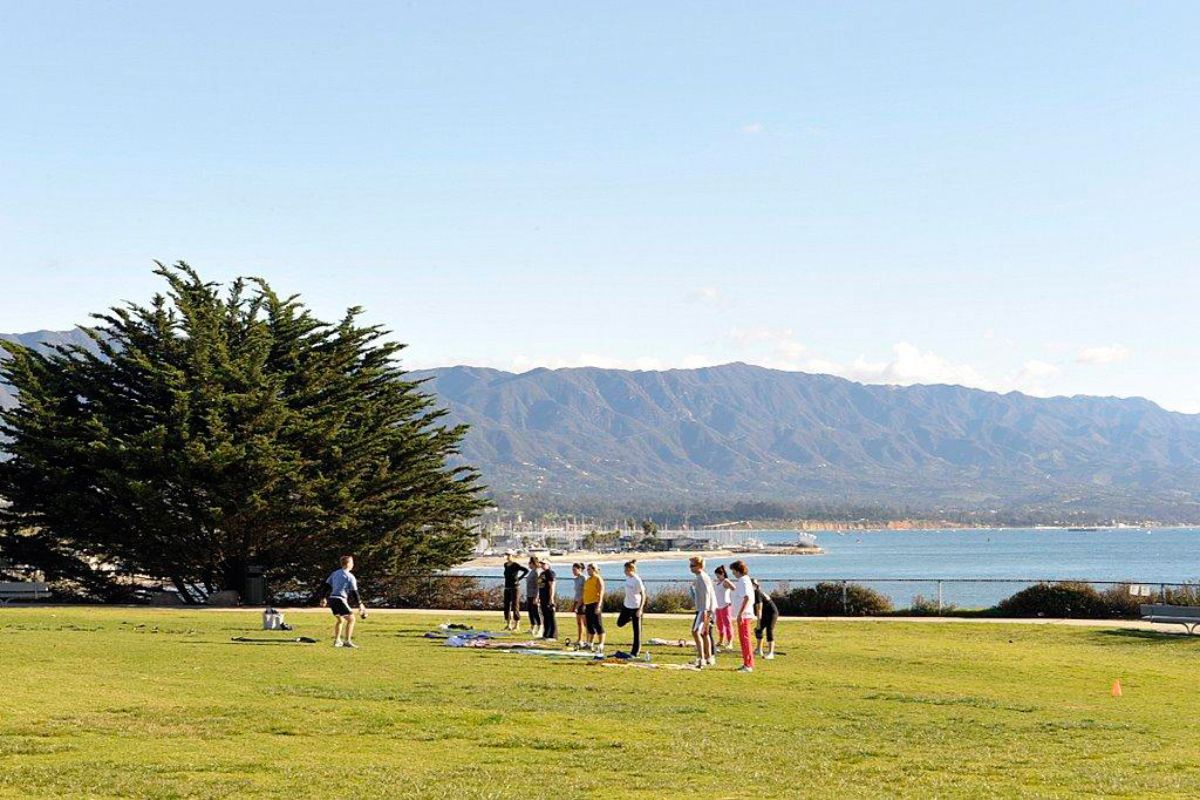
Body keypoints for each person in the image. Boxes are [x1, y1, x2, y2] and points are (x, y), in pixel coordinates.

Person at [317, 554, 367, 648]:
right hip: (340, 599)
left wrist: (323, 597)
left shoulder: (335, 573)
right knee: (352, 619)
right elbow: (354, 592)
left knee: (340, 620)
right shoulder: (350, 576)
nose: (353, 564)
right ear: (348, 564)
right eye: (352, 562)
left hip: (332, 599)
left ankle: (337, 641)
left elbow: (326, 586)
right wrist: (360, 604)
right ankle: (347, 641)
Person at [689, 556, 716, 668]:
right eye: (690, 566)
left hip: (704, 609)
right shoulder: (701, 577)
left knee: (696, 632)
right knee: (705, 633)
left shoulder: (702, 578)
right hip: (706, 609)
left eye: (693, 566)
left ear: (700, 566)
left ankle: (701, 658)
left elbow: (707, 595)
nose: (691, 568)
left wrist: (705, 612)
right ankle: (709, 657)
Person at [729, 560, 755, 672]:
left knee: (745, 639)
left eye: (733, 571)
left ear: (737, 570)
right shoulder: (744, 580)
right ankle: (747, 663)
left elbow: (747, 597)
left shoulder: (743, 581)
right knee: (743, 639)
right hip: (743, 614)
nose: (733, 573)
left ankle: (748, 664)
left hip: (744, 615)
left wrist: (740, 613)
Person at [617, 559, 646, 657]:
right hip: (626, 605)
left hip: (635, 606)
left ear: (631, 569)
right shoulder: (628, 578)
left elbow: (643, 595)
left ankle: (635, 652)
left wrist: (640, 609)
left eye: (626, 570)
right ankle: (630, 618)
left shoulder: (637, 579)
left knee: (636, 631)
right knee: (620, 623)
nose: (624, 572)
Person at [581, 562, 605, 654]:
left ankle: (601, 644)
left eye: (589, 569)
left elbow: (601, 592)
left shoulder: (598, 579)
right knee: (590, 625)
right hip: (588, 604)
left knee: (598, 624)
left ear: (594, 569)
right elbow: (585, 593)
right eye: (587, 569)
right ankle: (590, 643)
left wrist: (599, 605)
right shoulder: (588, 580)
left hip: (595, 603)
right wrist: (583, 604)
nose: (588, 571)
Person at [752, 579, 779, 660]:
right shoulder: (754, 592)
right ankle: (759, 650)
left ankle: (771, 653)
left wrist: (758, 622)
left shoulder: (757, 593)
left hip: (772, 613)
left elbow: (759, 609)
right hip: (765, 613)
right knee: (758, 630)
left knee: (769, 631)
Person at [501, 551, 528, 632]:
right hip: (507, 587)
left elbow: (526, 570)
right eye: (506, 555)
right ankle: (508, 624)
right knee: (506, 606)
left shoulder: (515, 565)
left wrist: (519, 579)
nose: (508, 556)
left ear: (512, 556)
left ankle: (517, 625)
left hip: (515, 588)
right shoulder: (505, 565)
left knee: (515, 606)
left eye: (509, 555)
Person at [713, 565, 735, 651]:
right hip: (718, 606)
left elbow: (734, 588)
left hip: (725, 605)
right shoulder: (717, 582)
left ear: (722, 574)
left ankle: (730, 642)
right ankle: (721, 640)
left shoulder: (725, 581)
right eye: (716, 575)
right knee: (719, 624)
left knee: (727, 624)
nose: (717, 576)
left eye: (718, 575)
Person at [538, 558, 558, 640]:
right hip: (542, 597)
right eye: (541, 564)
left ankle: (553, 635)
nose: (542, 565)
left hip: (548, 597)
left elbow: (552, 585)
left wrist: (551, 598)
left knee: (550, 616)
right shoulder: (542, 573)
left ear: (548, 564)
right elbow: (540, 585)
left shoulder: (550, 573)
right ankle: (546, 634)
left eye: (544, 564)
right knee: (545, 616)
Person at [524, 556, 542, 638]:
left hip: (534, 595)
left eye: (530, 563)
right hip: (529, 594)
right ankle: (532, 627)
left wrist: (537, 596)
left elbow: (538, 585)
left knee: (536, 612)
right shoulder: (531, 572)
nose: (528, 564)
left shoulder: (537, 572)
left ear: (533, 563)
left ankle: (539, 628)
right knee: (530, 612)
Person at [570, 562, 587, 645]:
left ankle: (588, 640)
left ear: (580, 569)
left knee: (585, 622)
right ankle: (580, 639)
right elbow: (577, 592)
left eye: (574, 570)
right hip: (577, 600)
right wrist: (575, 603)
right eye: (572, 570)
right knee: (579, 622)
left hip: (583, 602)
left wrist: (579, 604)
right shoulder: (575, 579)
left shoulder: (584, 578)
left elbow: (584, 592)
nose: (573, 571)